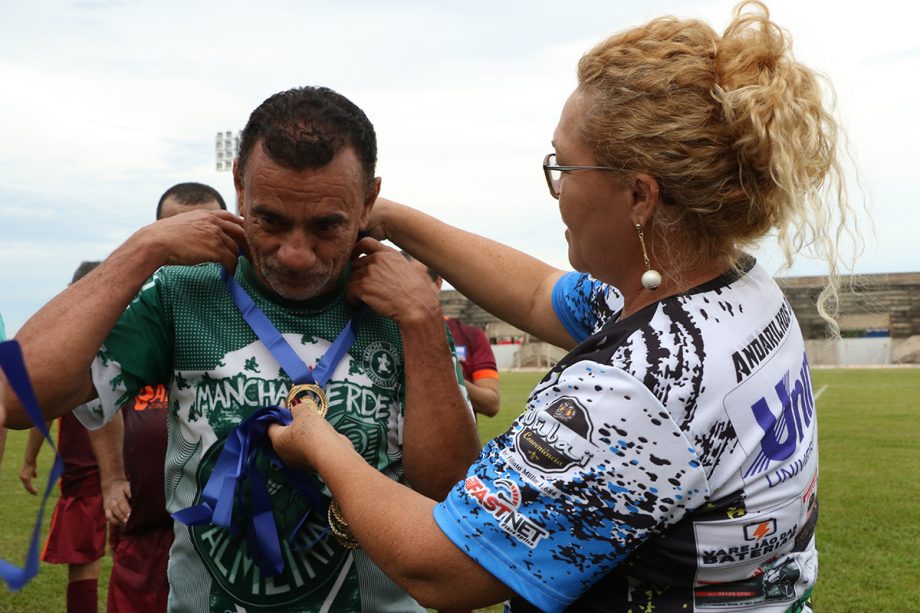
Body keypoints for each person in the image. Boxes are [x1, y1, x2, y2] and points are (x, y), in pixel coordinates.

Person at [266, 3, 857, 611]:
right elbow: (535, 292)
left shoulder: (640, 383)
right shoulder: (737, 291)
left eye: (564, 166)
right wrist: (385, 215)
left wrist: (317, 438)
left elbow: (442, 567)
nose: (557, 190)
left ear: (638, 195)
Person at [5, 85, 480, 611]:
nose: (296, 255)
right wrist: (145, 248)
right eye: (270, 220)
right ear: (237, 183)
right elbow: (15, 393)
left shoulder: (398, 302)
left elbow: (450, 496)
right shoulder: (185, 293)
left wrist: (420, 321)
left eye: (327, 226)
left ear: (369, 200)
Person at [87, 182, 227, 613]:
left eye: (208, 228)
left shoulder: (243, 310)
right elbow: (96, 393)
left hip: (224, 529)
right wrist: (111, 478)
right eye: (178, 230)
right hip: (145, 521)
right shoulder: (138, 306)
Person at [19, 261, 106, 613]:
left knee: (93, 556)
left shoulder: (74, 345)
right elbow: (46, 405)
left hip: (90, 467)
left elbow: (45, 406)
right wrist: (27, 459)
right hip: (89, 467)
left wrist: (28, 461)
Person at [402, 252, 500, 418]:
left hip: (454, 441)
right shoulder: (372, 330)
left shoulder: (470, 336)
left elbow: (491, 403)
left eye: (416, 284)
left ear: (438, 283)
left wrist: (445, 373)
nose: (406, 292)